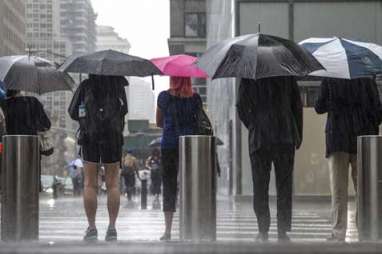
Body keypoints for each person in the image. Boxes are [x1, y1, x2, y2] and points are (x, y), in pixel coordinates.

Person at [315, 78, 382, 242]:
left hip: (338, 138)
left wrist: (334, 100)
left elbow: (318, 107)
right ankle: (365, 229)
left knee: (338, 190)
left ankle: (338, 232)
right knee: (364, 190)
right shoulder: (367, 79)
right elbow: (378, 114)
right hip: (362, 140)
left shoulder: (331, 77)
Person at [236, 77, 303, 242]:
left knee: (260, 185)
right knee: (284, 186)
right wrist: (298, 134)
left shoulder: (249, 76)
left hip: (260, 139)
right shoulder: (286, 75)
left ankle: (263, 229)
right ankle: (282, 230)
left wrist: (253, 125)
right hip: (284, 136)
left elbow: (241, 106)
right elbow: (297, 106)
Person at [68, 75, 128, 242]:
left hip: (89, 137)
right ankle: (112, 228)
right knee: (113, 184)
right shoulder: (118, 85)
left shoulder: (85, 86)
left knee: (89, 183)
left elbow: (73, 112)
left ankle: (92, 227)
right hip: (113, 138)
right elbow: (124, 110)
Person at [156, 77, 202, 241]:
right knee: (190, 185)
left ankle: (168, 230)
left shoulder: (164, 97)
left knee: (169, 186)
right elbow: (198, 122)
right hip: (189, 144)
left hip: (169, 144)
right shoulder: (195, 98)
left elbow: (159, 122)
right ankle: (190, 227)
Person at [1, 89, 51, 192]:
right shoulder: (33, 102)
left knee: (11, 187)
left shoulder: (4, 104)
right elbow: (46, 124)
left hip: (10, 152)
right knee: (30, 187)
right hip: (31, 151)